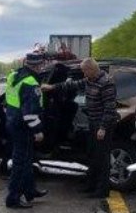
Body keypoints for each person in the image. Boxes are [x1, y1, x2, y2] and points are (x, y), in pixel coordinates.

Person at [41, 58, 117, 199]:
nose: (83, 74)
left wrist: (103, 128)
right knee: (93, 155)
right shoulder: (89, 80)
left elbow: (110, 108)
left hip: (102, 125)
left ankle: (102, 190)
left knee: (102, 158)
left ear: (91, 69)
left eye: (83, 71)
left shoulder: (106, 83)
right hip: (93, 122)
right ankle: (91, 185)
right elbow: (71, 85)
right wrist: (52, 87)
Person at [4, 52, 49, 209]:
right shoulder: (31, 83)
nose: (42, 67)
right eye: (41, 65)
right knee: (21, 163)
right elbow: (29, 113)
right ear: (37, 66)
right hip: (24, 127)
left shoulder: (14, 75)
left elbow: (11, 99)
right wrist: (38, 130)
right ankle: (13, 198)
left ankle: (30, 191)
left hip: (13, 122)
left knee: (27, 159)